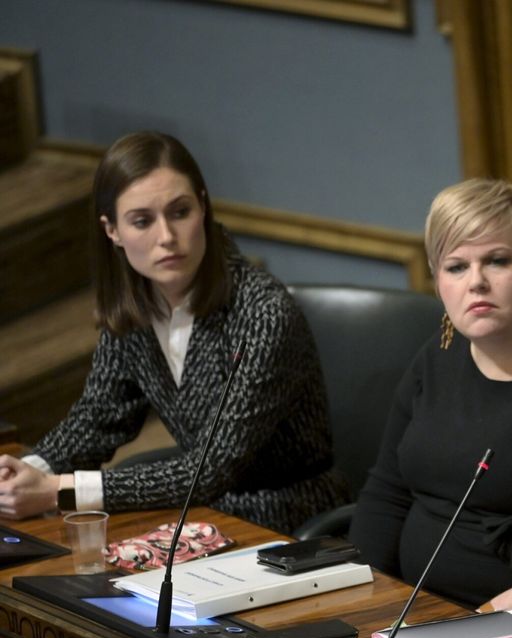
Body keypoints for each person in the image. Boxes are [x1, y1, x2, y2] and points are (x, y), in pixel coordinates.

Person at [0, 131, 347, 534]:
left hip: (284, 517)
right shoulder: (137, 302)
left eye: (180, 212)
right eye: (142, 221)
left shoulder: (263, 313)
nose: (166, 237)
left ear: (203, 206)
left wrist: (58, 491)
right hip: (199, 513)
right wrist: (27, 471)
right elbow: (100, 418)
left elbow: (208, 471)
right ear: (112, 230)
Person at [349, 178, 512, 611]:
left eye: (497, 261)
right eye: (456, 266)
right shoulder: (439, 352)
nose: (476, 283)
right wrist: (363, 600)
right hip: (411, 610)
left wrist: (487, 619)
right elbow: (387, 490)